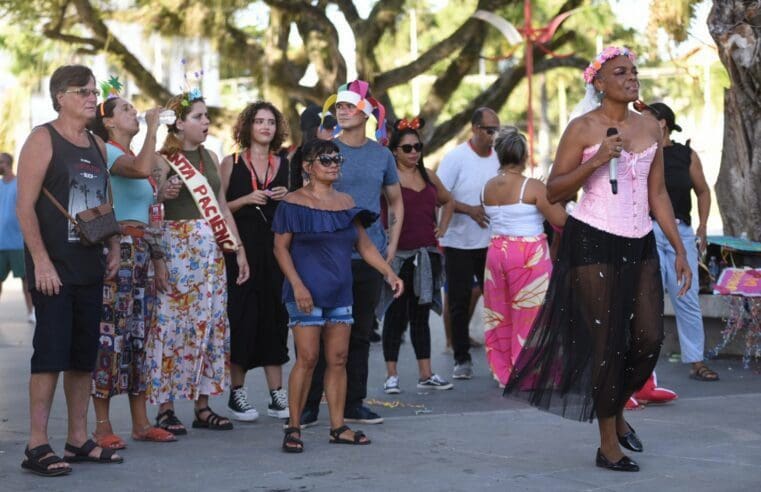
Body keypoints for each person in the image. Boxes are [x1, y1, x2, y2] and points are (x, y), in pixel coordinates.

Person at [503, 46, 692, 473]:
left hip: (639, 238)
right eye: (620, 72)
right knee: (607, 343)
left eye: (634, 71)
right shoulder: (583, 129)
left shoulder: (649, 128)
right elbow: (554, 191)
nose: (631, 77)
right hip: (592, 239)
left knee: (648, 340)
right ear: (600, 83)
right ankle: (608, 443)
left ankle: (615, 408)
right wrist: (599, 161)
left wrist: (678, 249)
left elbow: (657, 193)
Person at [16, 65, 123, 476]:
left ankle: (78, 439)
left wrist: (113, 243)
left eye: (94, 91)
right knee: (49, 355)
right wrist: (41, 262)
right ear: (60, 96)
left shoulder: (96, 144)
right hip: (54, 268)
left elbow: (103, 201)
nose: (93, 97)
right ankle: (36, 444)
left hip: (89, 265)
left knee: (83, 358)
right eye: (83, 91)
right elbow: (24, 206)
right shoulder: (43, 139)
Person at [273, 138, 403, 452]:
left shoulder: (346, 202)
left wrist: (389, 272)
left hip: (340, 291)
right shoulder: (293, 202)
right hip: (305, 293)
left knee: (338, 359)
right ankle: (293, 427)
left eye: (336, 160)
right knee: (307, 359)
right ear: (307, 167)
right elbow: (280, 248)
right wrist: (298, 285)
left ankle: (337, 426)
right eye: (325, 160)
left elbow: (365, 245)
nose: (333, 164)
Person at [144, 90, 249, 434]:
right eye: (198, 117)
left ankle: (203, 406)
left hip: (211, 254)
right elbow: (148, 209)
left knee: (211, 324)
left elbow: (220, 205)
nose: (205, 122)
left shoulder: (212, 155)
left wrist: (239, 248)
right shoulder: (160, 160)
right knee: (172, 325)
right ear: (178, 124)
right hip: (176, 252)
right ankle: (165, 407)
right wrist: (161, 195)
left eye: (206, 116)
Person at [301, 80, 403, 427]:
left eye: (348, 107)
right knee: (321, 331)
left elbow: (396, 201)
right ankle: (310, 405)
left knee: (360, 332)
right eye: (338, 107)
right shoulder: (324, 150)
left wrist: (392, 244)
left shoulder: (382, 154)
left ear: (366, 113)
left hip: (369, 257)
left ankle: (353, 403)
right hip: (327, 256)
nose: (341, 112)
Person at [86, 89, 176, 448]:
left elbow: (150, 214)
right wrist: (154, 127)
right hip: (116, 250)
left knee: (140, 337)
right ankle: (103, 426)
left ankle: (142, 423)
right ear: (108, 121)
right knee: (111, 337)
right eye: (126, 109)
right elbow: (140, 169)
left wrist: (158, 259)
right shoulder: (106, 151)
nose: (135, 113)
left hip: (140, 252)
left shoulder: (137, 154)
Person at [220, 101, 291, 422]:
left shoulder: (286, 164)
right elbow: (218, 210)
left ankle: (278, 395)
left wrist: (285, 197)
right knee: (242, 320)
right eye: (259, 121)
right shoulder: (231, 162)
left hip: (276, 253)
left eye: (271, 122)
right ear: (247, 126)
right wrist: (247, 199)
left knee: (275, 319)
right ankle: (238, 393)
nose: (265, 127)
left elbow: (299, 207)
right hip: (240, 252)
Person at [481, 126, 567, 388]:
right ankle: (528, 371)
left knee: (500, 311)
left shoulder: (488, 187)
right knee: (531, 313)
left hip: (497, 252)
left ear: (498, 155)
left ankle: (503, 370)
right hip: (528, 254)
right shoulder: (532, 186)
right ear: (524, 155)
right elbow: (560, 220)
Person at [640, 101, 719, 383]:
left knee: (687, 299)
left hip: (680, 234)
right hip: (647, 231)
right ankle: (642, 371)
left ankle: (697, 362)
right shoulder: (641, 152)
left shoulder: (686, 155)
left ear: (662, 123)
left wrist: (703, 225)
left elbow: (703, 191)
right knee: (648, 301)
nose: (640, 121)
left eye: (646, 117)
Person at [377, 117, 455, 394]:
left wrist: (442, 226)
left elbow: (449, 200)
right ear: (394, 151)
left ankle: (426, 374)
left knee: (421, 315)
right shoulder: (387, 178)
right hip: (397, 257)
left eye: (417, 147)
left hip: (427, 254)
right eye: (407, 148)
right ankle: (391, 376)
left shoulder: (429, 175)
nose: (414, 153)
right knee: (395, 315)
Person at [437, 107, 500, 380]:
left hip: (492, 241)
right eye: (489, 130)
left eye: (497, 130)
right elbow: (441, 197)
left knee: (497, 299)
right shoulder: (455, 159)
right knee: (459, 302)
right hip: (459, 242)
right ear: (475, 129)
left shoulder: (499, 157)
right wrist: (470, 210)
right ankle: (461, 357)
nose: (494, 135)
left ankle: (502, 356)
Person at [0, 152, 34, 322]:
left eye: (1, 162)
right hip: (1, 242)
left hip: (18, 241)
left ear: (8, 163)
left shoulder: (19, 184)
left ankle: (31, 312)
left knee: (25, 280)